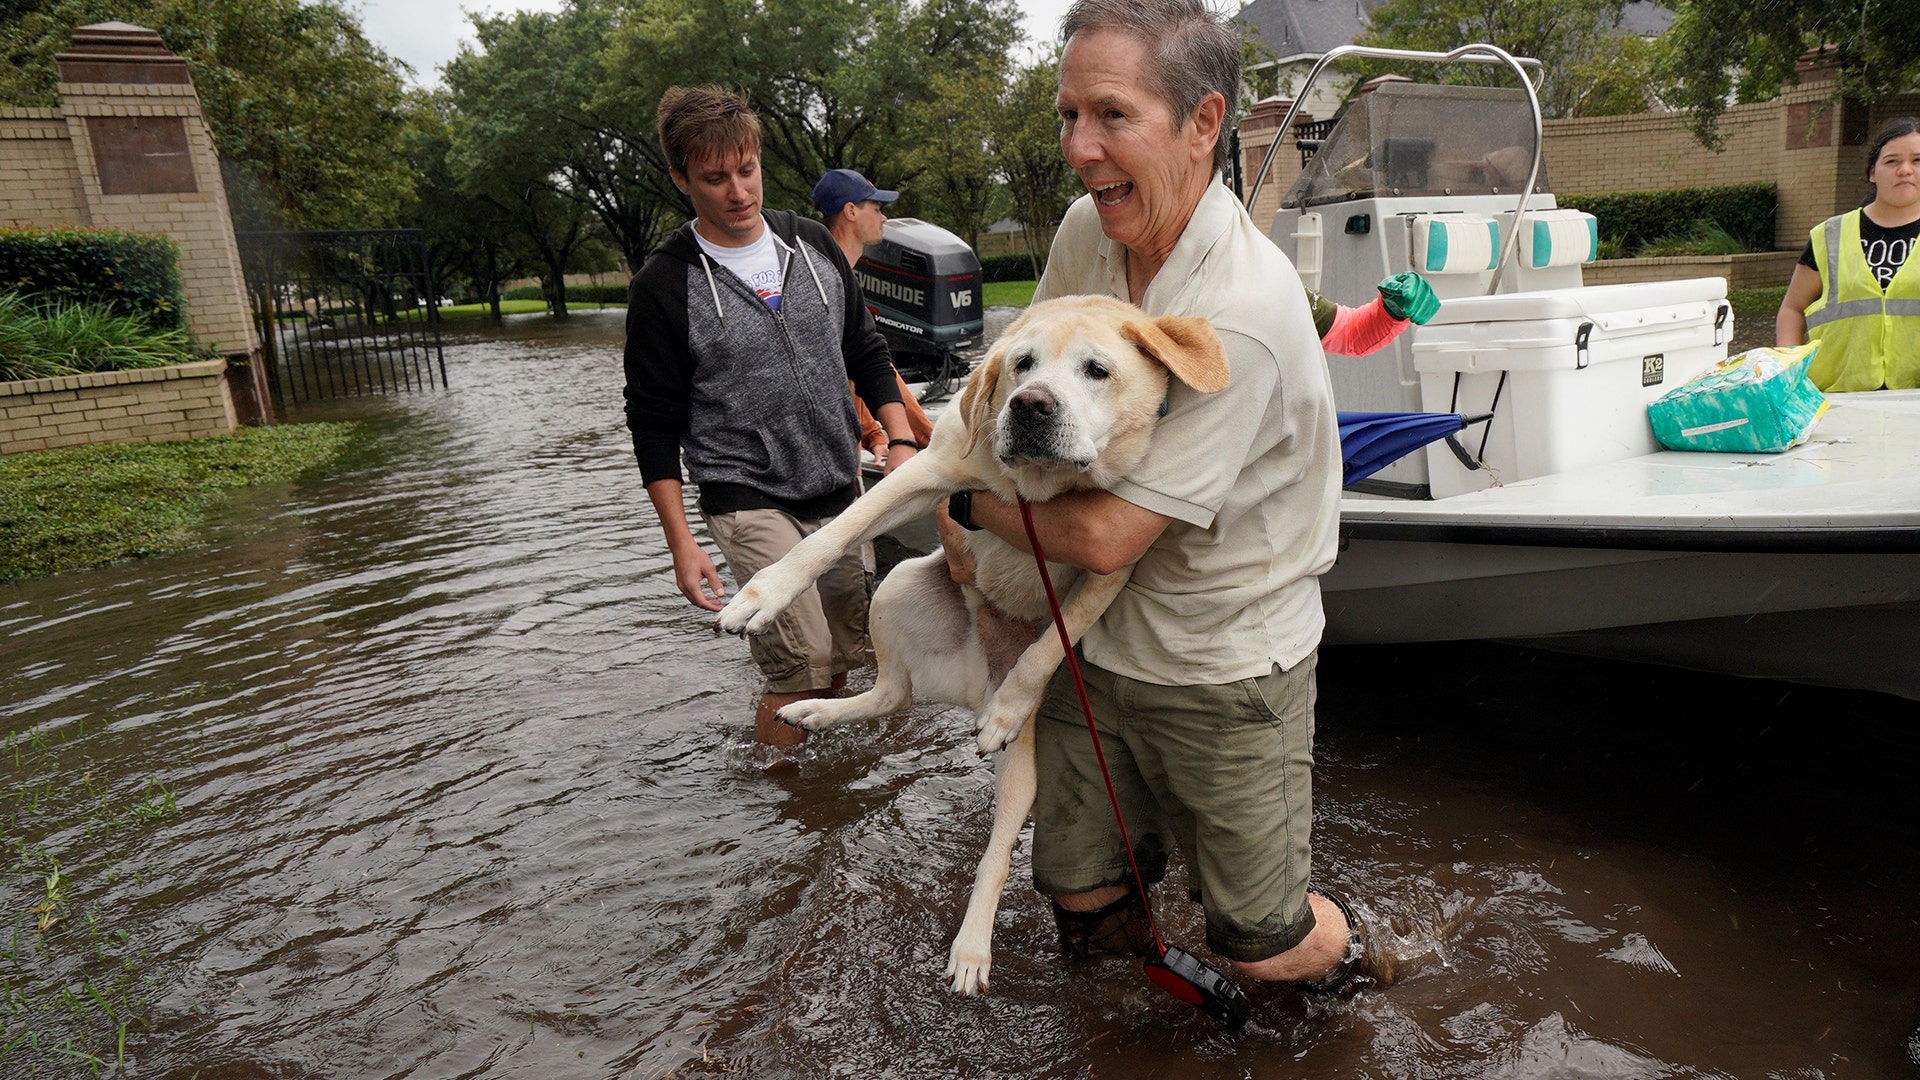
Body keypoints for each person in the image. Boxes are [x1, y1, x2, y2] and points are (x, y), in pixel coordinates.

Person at [939, 0, 1379, 994]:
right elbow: (1011, 391)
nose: (1079, 148)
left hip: (1221, 659)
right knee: (1084, 896)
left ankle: (1359, 951)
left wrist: (965, 509)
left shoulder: (1248, 310)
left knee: (1260, 944)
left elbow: (1101, 535)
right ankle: (1139, 1035)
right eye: (1066, 117)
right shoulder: (1085, 238)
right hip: (1094, 646)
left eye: (1110, 116)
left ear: (1203, 123)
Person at [624, 85, 920, 748]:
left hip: (837, 488)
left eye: (746, 170)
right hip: (744, 494)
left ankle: (836, 797)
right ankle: (781, 813)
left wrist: (898, 438)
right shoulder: (664, 286)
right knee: (800, 664)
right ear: (680, 178)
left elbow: (864, 349)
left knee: (846, 654)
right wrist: (681, 542)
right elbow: (651, 423)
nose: (737, 191)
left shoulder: (810, 245)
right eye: (714, 177)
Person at [1776, 116, 1920, 391]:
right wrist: (1789, 371)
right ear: (1872, 172)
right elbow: (1792, 309)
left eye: (1917, 160)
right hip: (1838, 394)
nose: (1905, 170)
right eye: (1892, 161)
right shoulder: (1829, 235)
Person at [811, 168, 936, 461]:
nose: (884, 218)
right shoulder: (825, 281)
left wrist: (874, 434)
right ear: (851, 211)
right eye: (877, 208)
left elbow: (857, 367)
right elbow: (846, 369)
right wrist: (929, 441)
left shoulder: (839, 276)